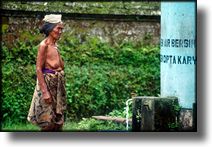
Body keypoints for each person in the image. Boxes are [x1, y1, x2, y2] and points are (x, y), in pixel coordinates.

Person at [27, 14, 66, 131]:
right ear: (50, 28)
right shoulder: (44, 45)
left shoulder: (55, 45)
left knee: (58, 121)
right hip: (47, 85)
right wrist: (45, 92)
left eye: (61, 29)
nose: (60, 32)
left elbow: (59, 65)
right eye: (58, 28)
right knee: (47, 122)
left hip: (57, 85)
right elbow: (38, 68)